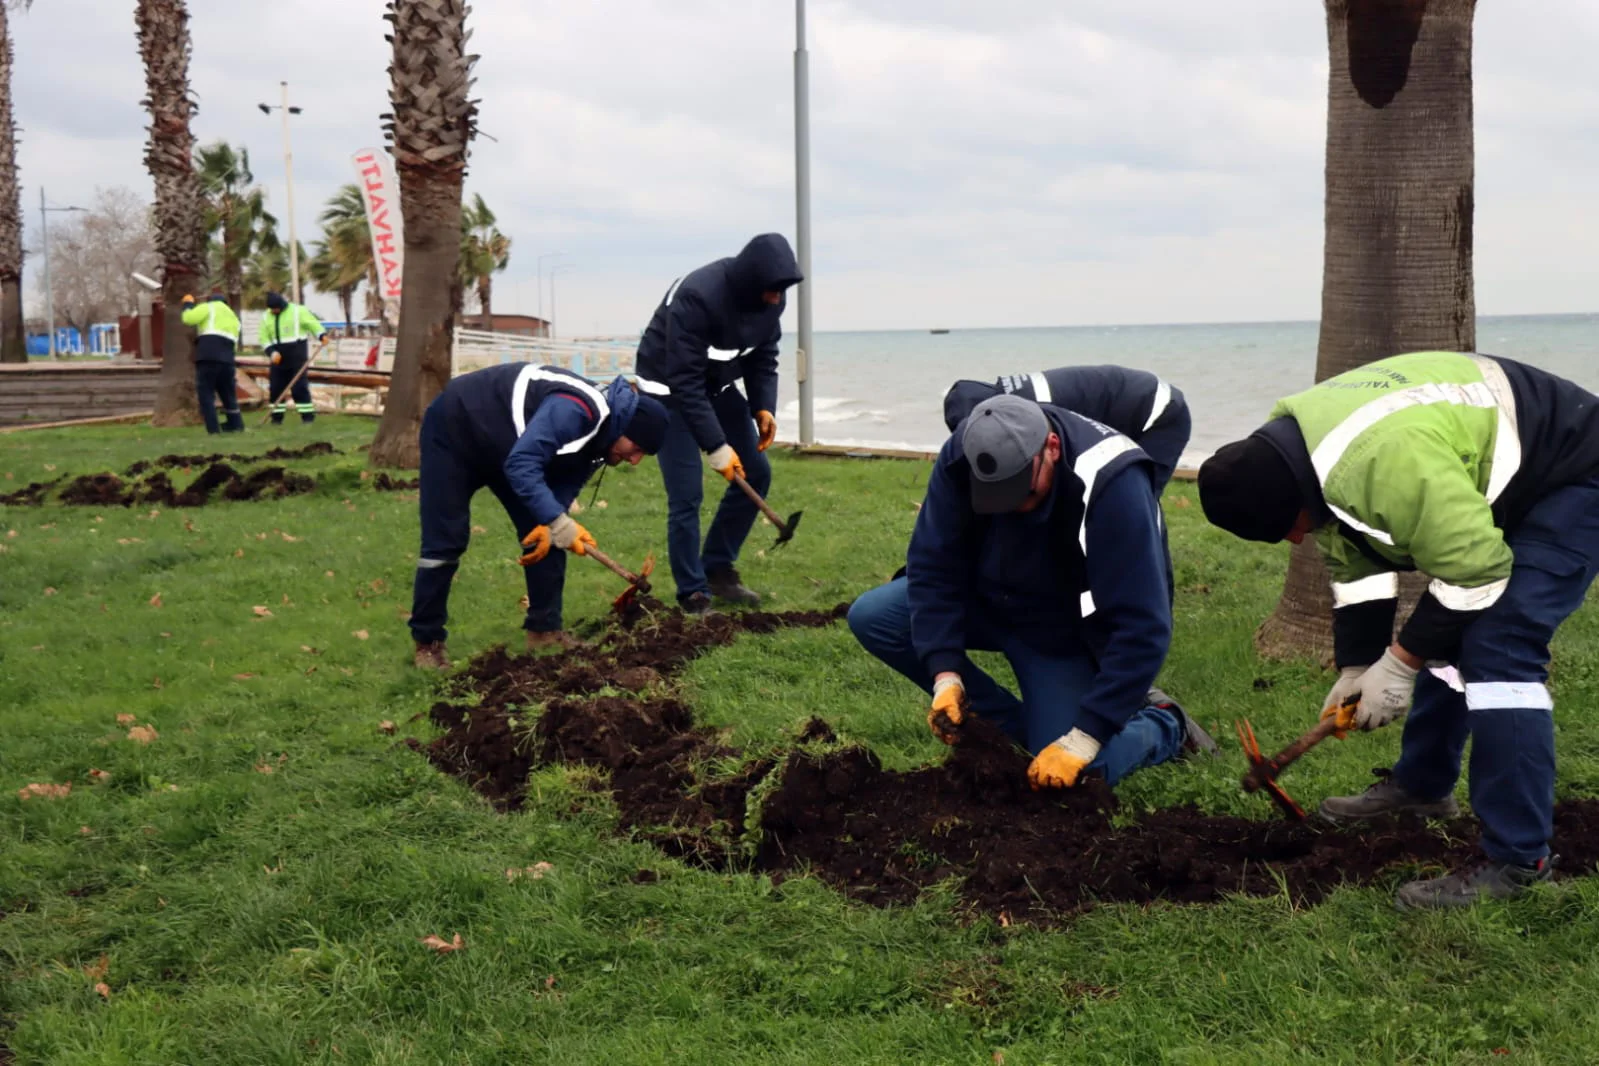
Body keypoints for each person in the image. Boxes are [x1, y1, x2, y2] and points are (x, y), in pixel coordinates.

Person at [1196, 350, 1599, 909]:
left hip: (1575, 471)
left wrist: (1400, 663)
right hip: (1501, 467)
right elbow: (1358, 567)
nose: (1294, 541)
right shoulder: (1296, 456)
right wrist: (1358, 666)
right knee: (1448, 625)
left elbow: (1477, 570)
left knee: (1499, 647)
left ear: (1294, 498)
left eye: (1289, 527)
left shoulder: (1380, 463)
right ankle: (1422, 788)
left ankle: (1519, 861)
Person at [848, 394, 1215, 790]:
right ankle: (1008, 731)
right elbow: (933, 565)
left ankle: (1164, 724)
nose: (1014, 508)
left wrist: (1082, 739)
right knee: (876, 617)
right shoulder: (967, 452)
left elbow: (1144, 626)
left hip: (1058, 634)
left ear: (1052, 449)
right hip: (989, 602)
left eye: (1025, 494)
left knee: (1078, 776)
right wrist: (945, 676)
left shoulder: (1114, 483)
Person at [409, 363, 670, 669]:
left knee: (548, 530)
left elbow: (567, 480)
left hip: (509, 447)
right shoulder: (576, 410)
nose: (635, 460)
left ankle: (545, 631)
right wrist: (558, 521)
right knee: (445, 541)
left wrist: (554, 520)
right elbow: (522, 464)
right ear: (625, 428)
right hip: (456, 428)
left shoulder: (603, 440)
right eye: (636, 448)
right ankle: (427, 643)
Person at [634, 233, 804, 613]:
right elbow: (684, 381)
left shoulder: (771, 295)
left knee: (756, 472)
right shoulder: (698, 296)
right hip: (666, 389)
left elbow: (764, 355)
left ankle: (717, 568)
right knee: (686, 494)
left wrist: (763, 407)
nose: (778, 298)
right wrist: (716, 446)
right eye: (772, 290)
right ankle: (692, 592)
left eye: (782, 290)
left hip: (714, 383)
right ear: (750, 281)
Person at [943, 365, 1191, 489]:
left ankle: (1153, 579)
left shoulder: (1030, 415)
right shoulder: (1009, 401)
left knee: (1137, 498)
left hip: (1163, 415)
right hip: (1123, 406)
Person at [257, 291, 325, 424]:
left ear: (282, 305)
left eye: (275, 308)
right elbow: (263, 338)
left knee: (299, 387)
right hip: (277, 356)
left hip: (296, 353)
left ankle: (307, 417)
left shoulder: (297, 311)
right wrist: (271, 352)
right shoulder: (266, 317)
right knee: (276, 388)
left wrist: (322, 335)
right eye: (271, 309)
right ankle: (276, 419)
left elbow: (313, 324)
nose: (274, 311)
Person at [181, 290, 243, 434]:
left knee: (206, 393)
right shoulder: (234, 317)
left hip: (208, 355)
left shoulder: (209, 307)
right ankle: (236, 424)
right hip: (227, 358)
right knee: (228, 393)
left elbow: (188, 319)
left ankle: (213, 429)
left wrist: (188, 304)